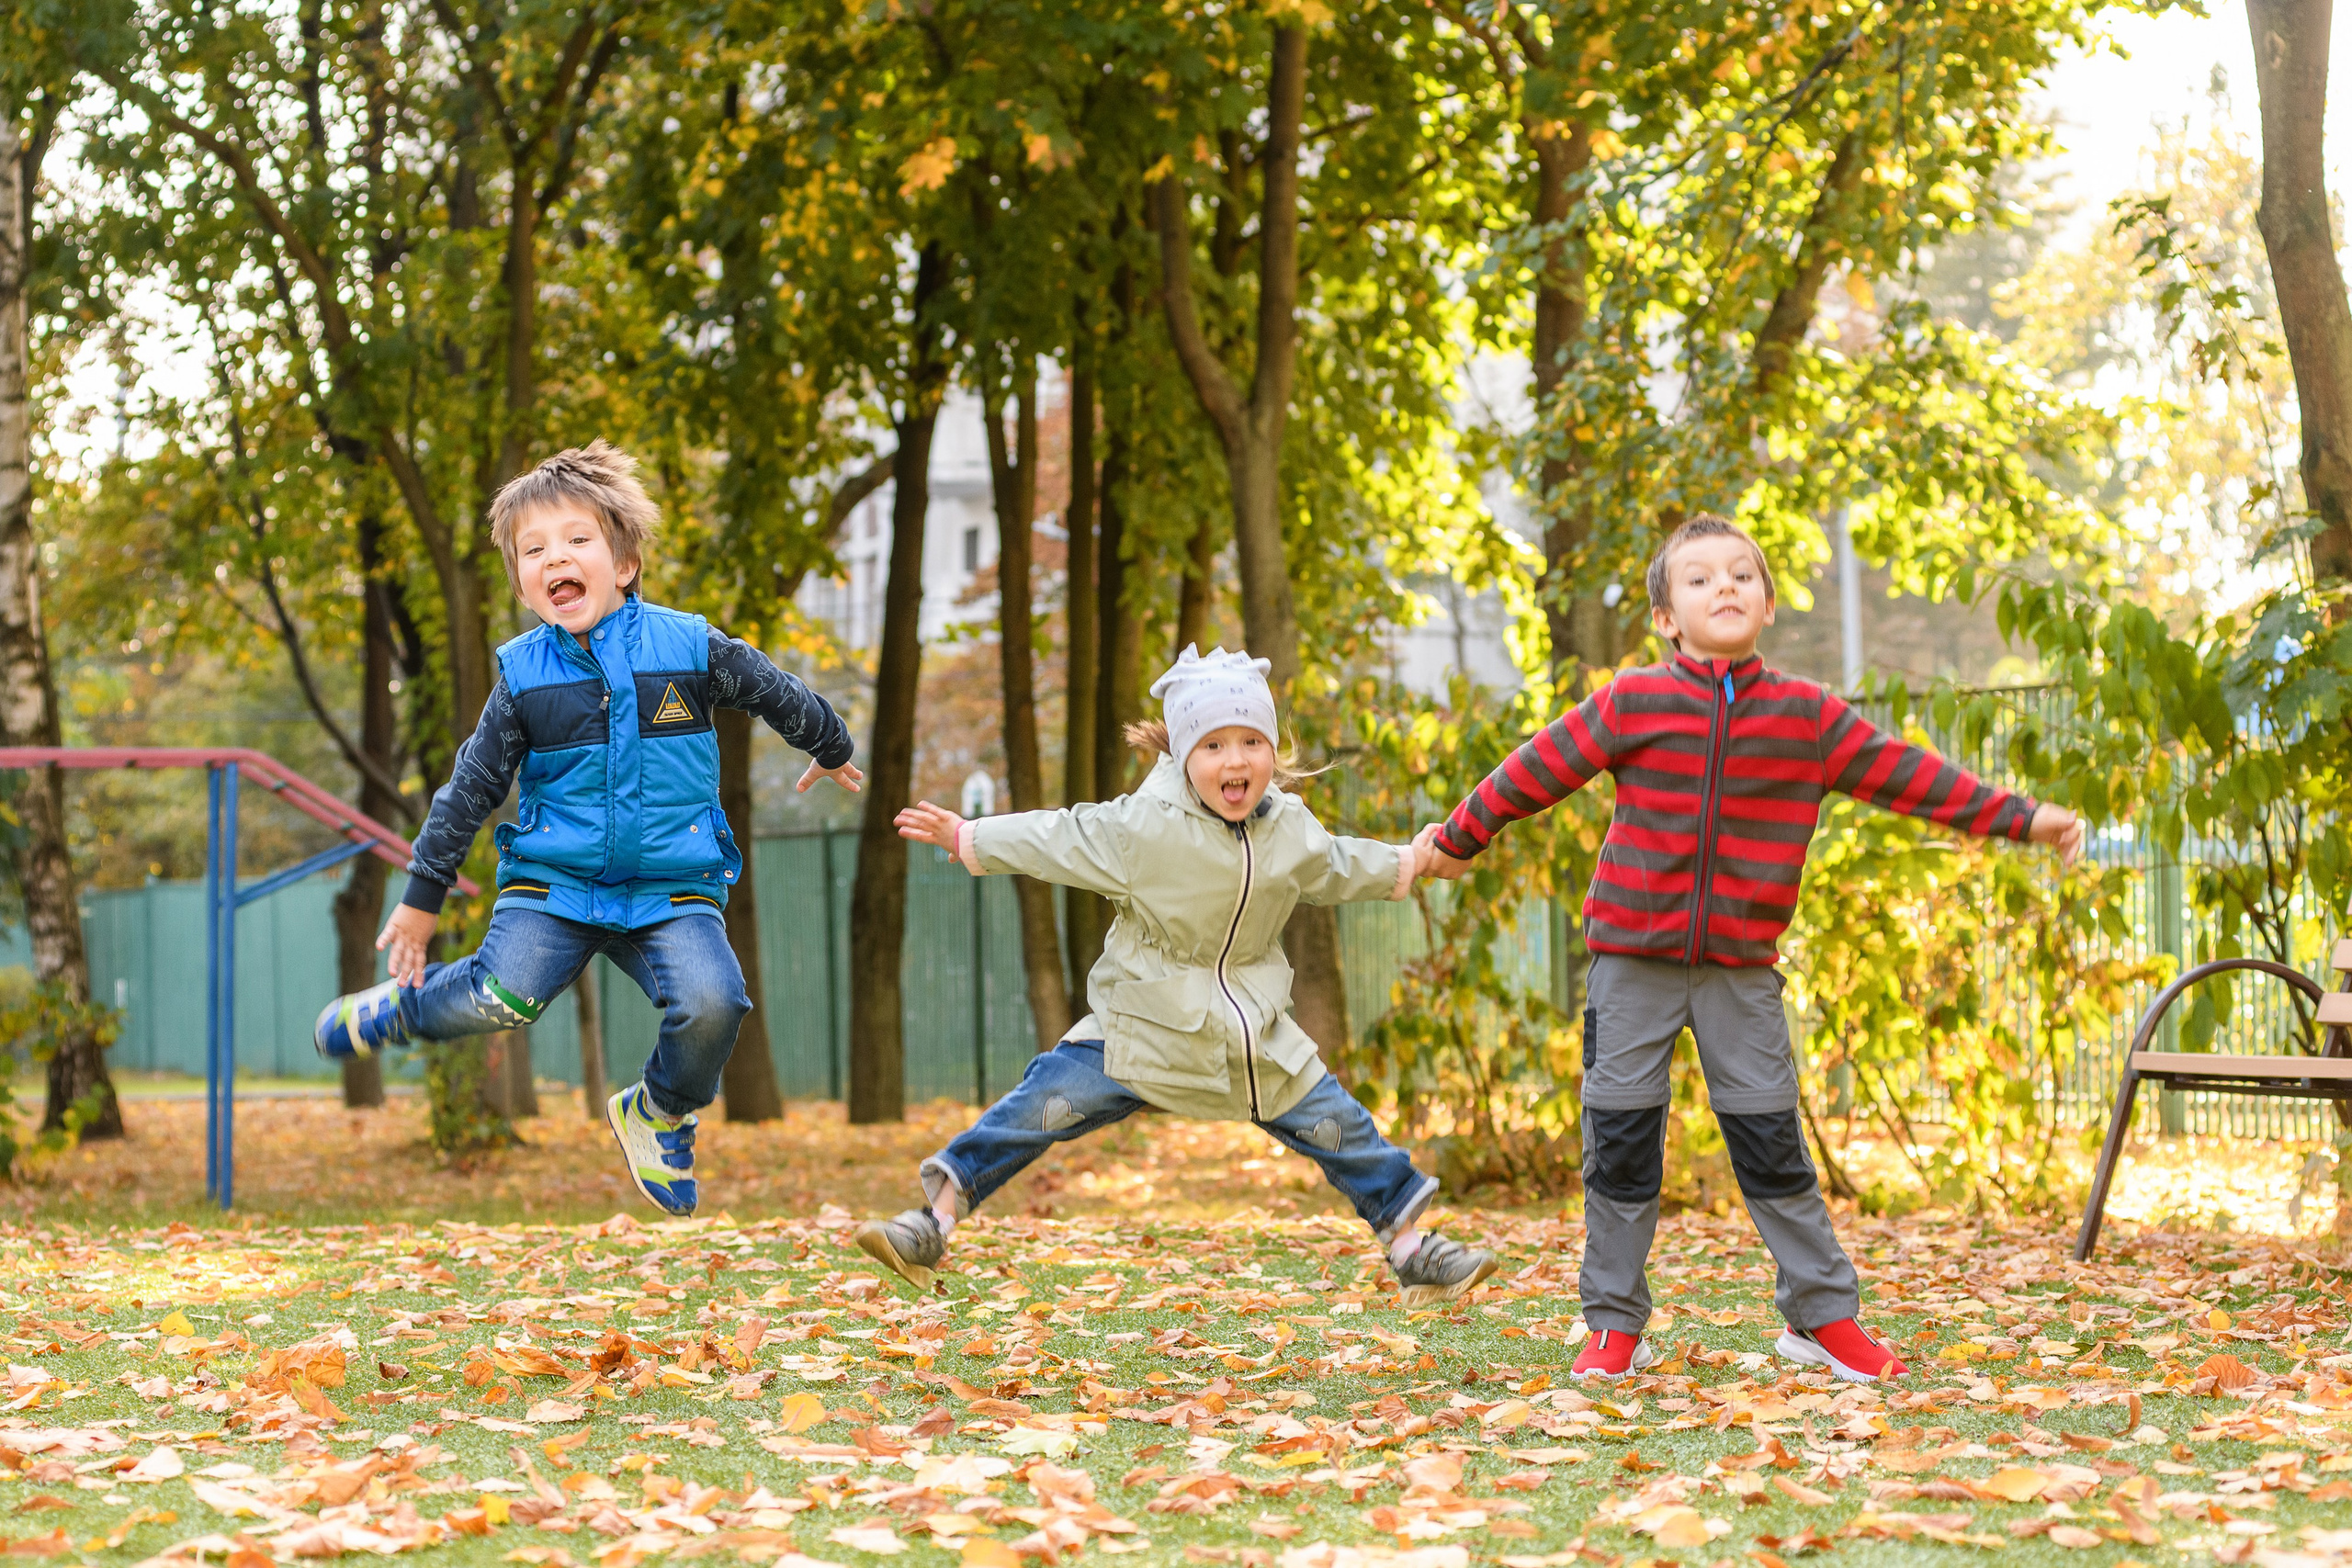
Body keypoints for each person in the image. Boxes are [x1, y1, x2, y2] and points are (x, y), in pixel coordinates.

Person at [1423, 514, 2085, 1382]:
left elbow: (1912, 777)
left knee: (1771, 1143)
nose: (1724, 587)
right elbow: (1535, 769)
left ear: (1768, 604)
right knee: (1619, 1143)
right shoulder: (1633, 702)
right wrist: (1458, 837)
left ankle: (1820, 1318)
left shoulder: (1806, 716)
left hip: (1741, 972)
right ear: (1667, 616)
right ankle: (1614, 1323)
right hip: (1633, 963)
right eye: (1699, 579)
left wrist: (2027, 819)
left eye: (1741, 575)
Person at [311, 440, 864, 1215]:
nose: (555, 558)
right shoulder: (523, 679)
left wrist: (830, 743)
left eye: (576, 540)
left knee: (717, 1001)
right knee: (497, 996)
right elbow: (469, 788)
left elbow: (771, 688)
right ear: (525, 585)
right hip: (556, 886)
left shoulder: (688, 648)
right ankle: (399, 1009)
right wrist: (421, 895)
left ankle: (660, 1110)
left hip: (670, 886)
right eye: (533, 550)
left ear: (625, 562)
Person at [854, 645, 1498, 1307]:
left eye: (1252, 740)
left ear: (1272, 750)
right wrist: (971, 837)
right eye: (1214, 744)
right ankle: (933, 1219)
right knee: (1036, 1105)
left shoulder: (1288, 830)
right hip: (1139, 1029)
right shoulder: (1144, 828)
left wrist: (1414, 861)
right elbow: (1060, 836)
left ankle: (1414, 1249)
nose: (1236, 759)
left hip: (1249, 1040)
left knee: (1345, 1129)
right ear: (1186, 756)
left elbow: (1335, 865)